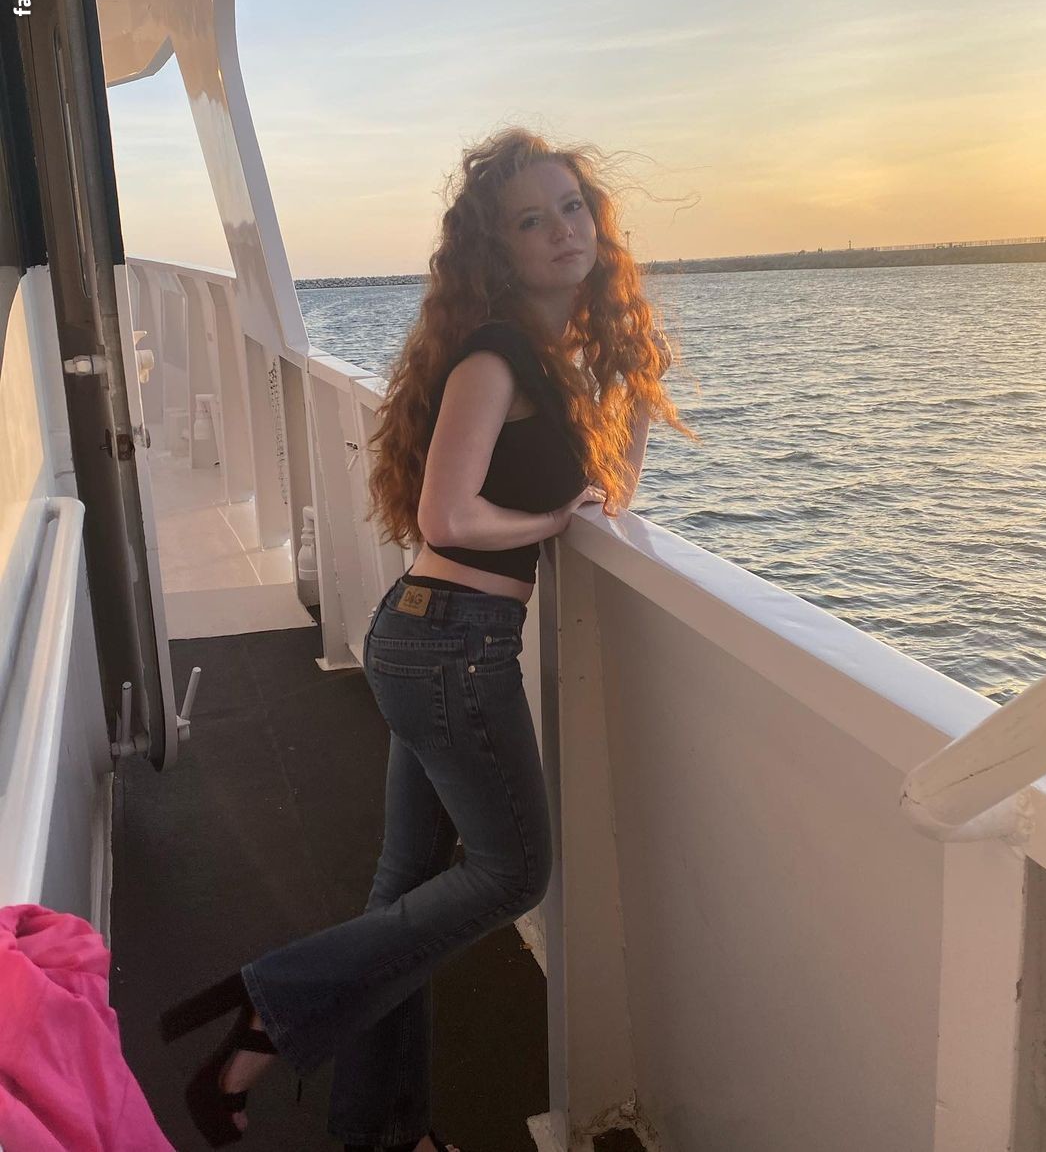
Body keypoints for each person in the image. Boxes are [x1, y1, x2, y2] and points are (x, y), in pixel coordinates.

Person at [159, 126, 694, 1151]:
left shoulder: (550, 362)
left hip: (430, 638)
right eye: (531, 221)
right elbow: (449, 517)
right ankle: (270, 1003)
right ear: (499, 249)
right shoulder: (495, 356)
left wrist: (627, 383)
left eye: (573, 209)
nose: (563, 231)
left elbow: (608, 496)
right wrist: (549, 520)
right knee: (512, 875)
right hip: (454, 646)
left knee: (404, 890)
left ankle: (380, 1130)